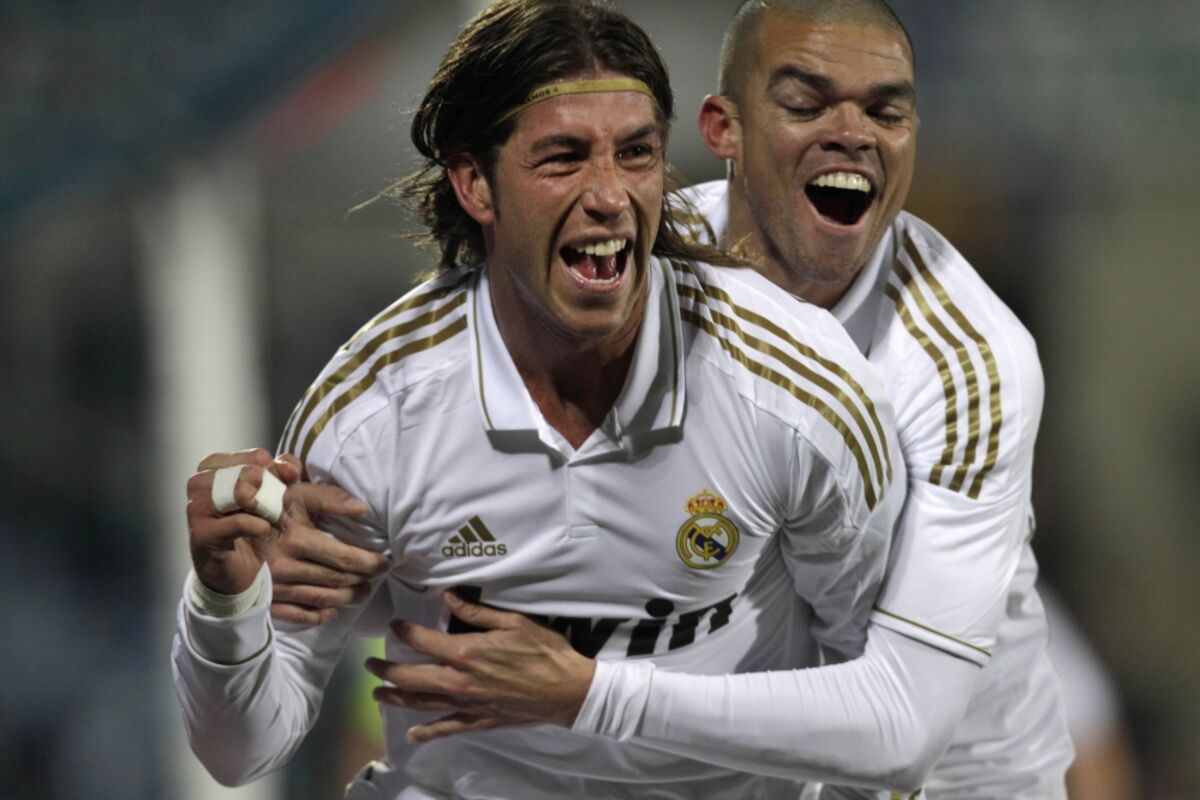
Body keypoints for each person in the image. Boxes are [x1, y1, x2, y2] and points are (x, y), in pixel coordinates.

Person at [305, 1, 1073, 797]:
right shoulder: (630, 249)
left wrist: (587, 693)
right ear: (720, 130)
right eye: (806, 104)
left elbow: (901, 725)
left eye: (886, 112)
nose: (852, 133)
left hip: (957, 773)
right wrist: (324, 556)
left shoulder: (965, 364)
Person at [171, 2, 904, 799]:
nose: (610, 196)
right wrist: (224, 598)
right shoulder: (375, 416)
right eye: (563, 158)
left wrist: (593, 694)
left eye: (636, 153)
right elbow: (240, 752)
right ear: (474, 183)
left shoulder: (799, 395)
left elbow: (888, 712)